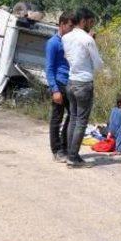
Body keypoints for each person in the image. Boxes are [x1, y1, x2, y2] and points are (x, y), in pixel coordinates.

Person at [62, 7, 103, 168]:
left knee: (72, 118)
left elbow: (67, 57)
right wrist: (92, 40)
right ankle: (73, 157)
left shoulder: (66, 37)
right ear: (84, 20)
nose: (91, 26)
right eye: (91, 22)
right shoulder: (87, 39)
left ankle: (69, 153)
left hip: (71, 81)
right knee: (81, 122)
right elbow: (98, 64)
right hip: (84, 83)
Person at [45, 11, 74, 162]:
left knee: (73, 116)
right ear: (62, 25)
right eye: (70, 26)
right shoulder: (53, 43)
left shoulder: (70, 42)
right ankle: (56, 150)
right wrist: (54, 89)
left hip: (71, 84)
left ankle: (65, 146)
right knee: (57, 119)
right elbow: (49, 68)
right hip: (59, 84)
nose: (71, 28)